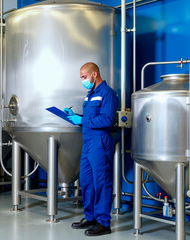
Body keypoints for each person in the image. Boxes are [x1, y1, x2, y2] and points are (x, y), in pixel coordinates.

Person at [64, 62, 118, 236]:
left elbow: (106, 120)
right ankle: (90, 217)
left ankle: (104, 223)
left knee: (101, 182)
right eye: (81, 78)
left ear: (94, 74)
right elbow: (89, 119)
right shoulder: (89, 95)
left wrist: (83, 121)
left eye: (84, 77)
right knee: (86, 182)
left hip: (99, 143)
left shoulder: (108, 94)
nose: (83, 81)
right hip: (87, 143)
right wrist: (74, 117)